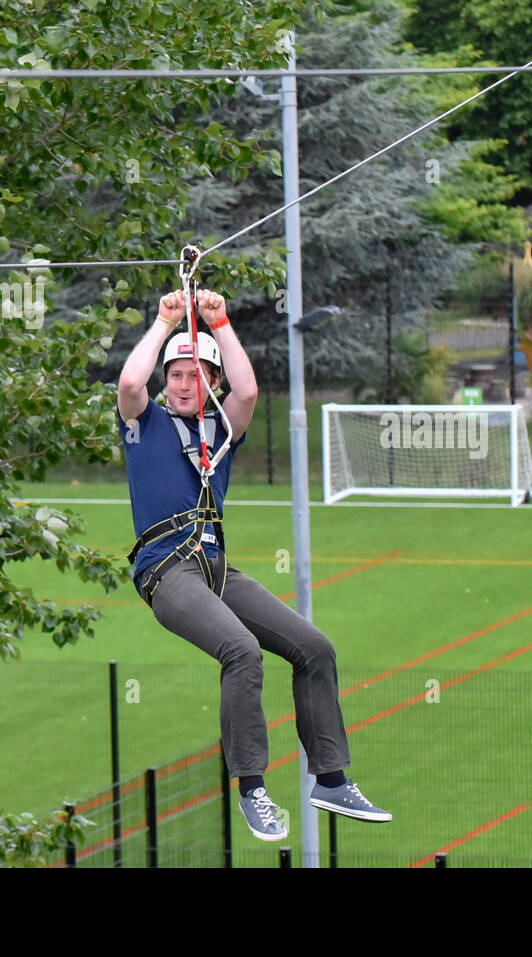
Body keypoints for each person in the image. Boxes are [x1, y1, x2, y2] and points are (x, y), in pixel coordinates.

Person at [116, 287, 390, 841]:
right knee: (240, 650)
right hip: (167, 570)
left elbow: (247, 389)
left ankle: (331, 780)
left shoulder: (220, 432)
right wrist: (166, 322)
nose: (184, 384)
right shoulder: (143, 423)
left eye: (195, 376)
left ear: (210, 384)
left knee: (314, 648)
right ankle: (252, 788)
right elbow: (127, 382)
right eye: (176, 375)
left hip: (216, 568)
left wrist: (218, 322)